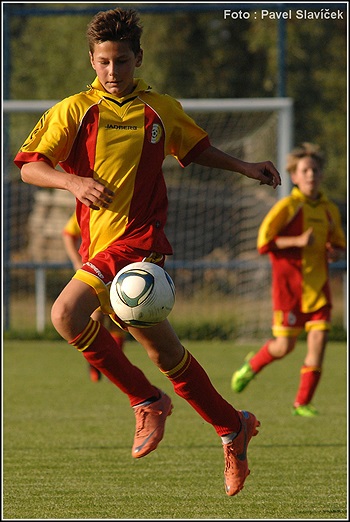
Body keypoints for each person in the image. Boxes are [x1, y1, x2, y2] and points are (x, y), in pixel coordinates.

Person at [14, 7, 281, 496]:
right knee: (167, 353)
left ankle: (146, 402)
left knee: (65, 315)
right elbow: (31, 166)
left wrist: (245, 167)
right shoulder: (74, 110)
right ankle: (231, 426)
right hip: (101, 244)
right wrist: (72, 180)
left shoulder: (160, 108)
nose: (112, 72)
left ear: (138, 58)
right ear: (91, 62)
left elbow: (195, 149)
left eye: (121, 61)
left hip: (140, 242)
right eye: (103, 62)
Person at [231, 142, 346, 416]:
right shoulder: (288, 207)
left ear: (321, 174)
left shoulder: (329, 209)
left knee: (318, 345)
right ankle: (252, 366)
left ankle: (303, 403)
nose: (311, 175)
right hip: (289, 291)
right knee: (284, 346)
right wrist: (297, 240)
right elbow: (263, 242)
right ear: (294, 176)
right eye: (305, 170)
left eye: (315, 170)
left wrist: (334, 252)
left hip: (319, 289)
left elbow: (340, 245)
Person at [62, 211, 126, 382]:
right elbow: (68, 234)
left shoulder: (123, 205)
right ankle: (96, 365)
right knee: (95, 318)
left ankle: (115, 367)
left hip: (121, 268)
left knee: (120, 320)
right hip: (96, 272)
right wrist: (76, 261)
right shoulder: (88, 206)